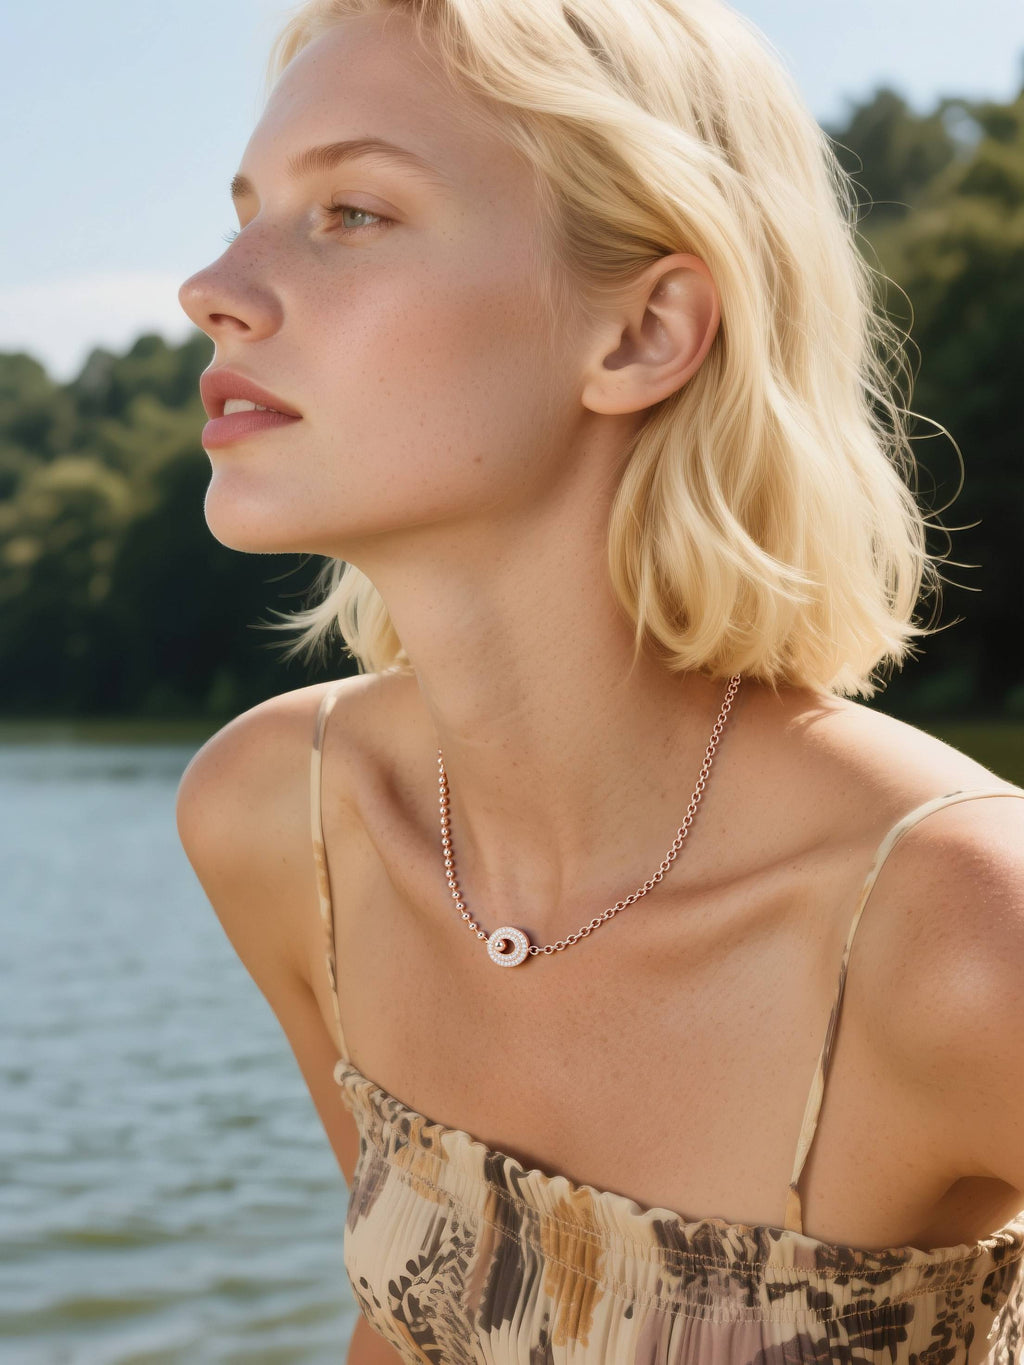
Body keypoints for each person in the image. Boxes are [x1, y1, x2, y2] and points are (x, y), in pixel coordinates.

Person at [174, 1, 1024, 1361]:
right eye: (249, 208)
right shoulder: (285, 821)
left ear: (643, 330)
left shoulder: (964, 929)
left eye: (352, 213)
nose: (211, 283)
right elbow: (404, 1329)